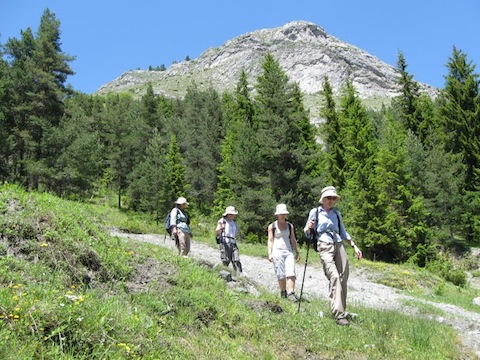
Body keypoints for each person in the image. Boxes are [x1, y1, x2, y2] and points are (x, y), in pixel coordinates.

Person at [304, 186, 362, 325]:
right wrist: (309, 228)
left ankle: (341, 309)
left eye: (333, 198)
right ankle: (339, 315)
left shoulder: (336, 214)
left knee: (343, 277)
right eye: (328, 198)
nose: (331, 200)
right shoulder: (315, 212)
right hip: (324, 244)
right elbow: (306, 231)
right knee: (334, 276)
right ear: (323, 199)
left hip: (339, 243)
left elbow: (343, 232)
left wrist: (354, 246)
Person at [267, 204, 300, 301]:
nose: (282, 215)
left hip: (288, 251)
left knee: (291, 271)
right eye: (281, 214)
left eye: (284, 214)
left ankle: (291, 293)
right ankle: (283, 291)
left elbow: (293, 239)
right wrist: (270, 253)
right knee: (280, 273)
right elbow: (270, 240)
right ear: (277, 214)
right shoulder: (272, 226)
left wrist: (297, 251)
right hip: (277, 252)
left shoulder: (290, 226)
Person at [215, 206, 243, 275]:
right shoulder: (222, 221)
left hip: (233, 242)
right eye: (230, 214)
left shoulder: (234, 223)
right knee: (226, 260)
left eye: (233, 214)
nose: (232, 215)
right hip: (225, 242)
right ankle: (224, 274)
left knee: (236, 259)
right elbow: (217, 231)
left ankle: (239, 274)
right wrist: (221, 228)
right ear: (227, 214)